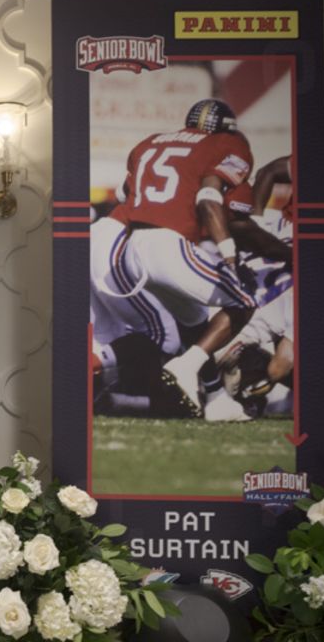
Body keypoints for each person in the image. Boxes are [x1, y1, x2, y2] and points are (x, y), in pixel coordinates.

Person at [98, 99, 260, 419]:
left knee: (193, 319)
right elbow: (208, 198)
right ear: (227, 128)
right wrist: (228, 254)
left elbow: (123, 194)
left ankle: (216, 400)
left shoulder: (150, 143)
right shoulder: (229, 144)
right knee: (245, 300)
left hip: (132, 247)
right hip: (169, 244)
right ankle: (185, 365)